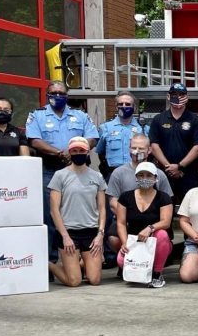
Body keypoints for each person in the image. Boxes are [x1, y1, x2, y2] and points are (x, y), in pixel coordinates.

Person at [27, 81, 99, 261]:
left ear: (66, 96)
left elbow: (93, 137)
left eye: (61, 93)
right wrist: (59, 153)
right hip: (50, 171)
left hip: (78, 171)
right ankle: (51, 260)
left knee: (80, 213)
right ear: (47, 94)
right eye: (53, 93)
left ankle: (79, 258)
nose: (57, 96)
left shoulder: (80, 115)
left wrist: (76, 149)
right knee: (50, 215)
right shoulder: (37, 115)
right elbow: (34, 140)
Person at [105, 134, 173, 267]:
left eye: (141, 148)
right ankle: (130, 258)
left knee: (162, 235)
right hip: (128, 220)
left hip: (154, 221)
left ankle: (156, 265)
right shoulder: (119, 173)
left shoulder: (159, 174)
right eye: (134, 147)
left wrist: (150, 224)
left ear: (149, 150)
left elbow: (167, 202)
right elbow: (113, 202)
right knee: (114, 237)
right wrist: (130, 215)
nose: (137, 151)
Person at [46, 137, 107, 287]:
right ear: (70, 152)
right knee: (74, 282)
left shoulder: (97, 176)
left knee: (94, 280)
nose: (78, 153)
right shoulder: (60, 175)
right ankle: (47, 265)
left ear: (87, 152)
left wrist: (100, 234)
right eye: (74, 151)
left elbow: (102, 208)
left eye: (81, 151)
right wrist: (65, 236)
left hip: (91, 233)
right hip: (69, 233)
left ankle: (80, 262)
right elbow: (54, 210)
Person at [114, 162, 173, 288]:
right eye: (140, 175)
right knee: (120, 261)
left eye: (149, 175)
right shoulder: (125, 197)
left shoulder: (164, 197)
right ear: (136, 177)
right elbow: (121, 222)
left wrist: (150, 228)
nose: (144, 178)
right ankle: (143, 271)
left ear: (156, 178)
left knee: (162, 234)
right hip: (135, 242)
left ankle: (157, 273)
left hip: (156, 241)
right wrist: (125, 243)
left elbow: (166, 222)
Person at [149, 83, 198, 203]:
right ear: (168, 96)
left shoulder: (195, 120)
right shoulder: (158, 119)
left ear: (187, 97)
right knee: (164, 209)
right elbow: (154, 146)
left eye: (181, 94)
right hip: (164, 174)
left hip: (189, 175)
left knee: (191, 211)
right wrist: (169, 168)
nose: (178, 97)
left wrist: (179, 166)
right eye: (174, 94)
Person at [96, 91, 145, 181]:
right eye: (120, 104)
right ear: (116, 107)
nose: (124, 106)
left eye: (127, 104)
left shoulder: (143, 129)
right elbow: (101, 152)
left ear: (134, 107)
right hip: (112, 174)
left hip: (137, 174)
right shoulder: (105, 128)